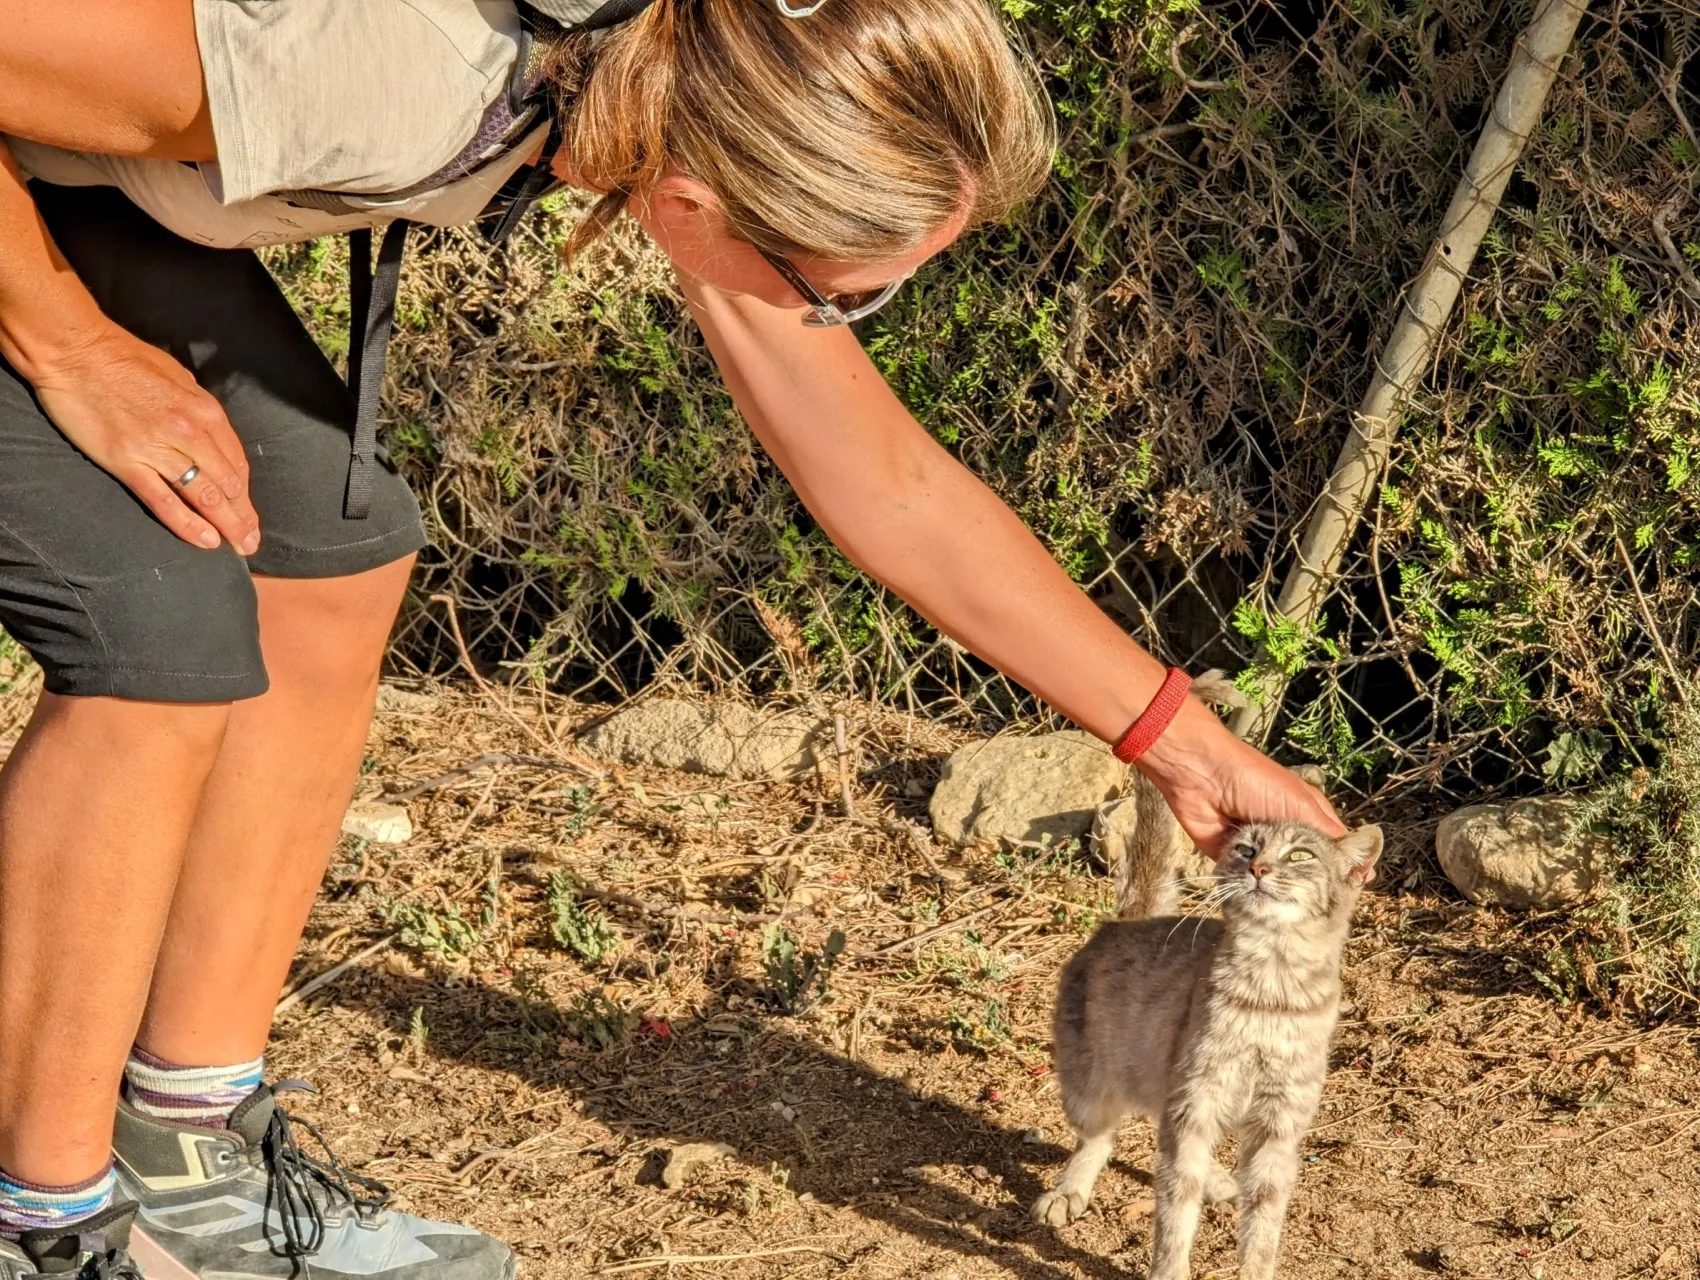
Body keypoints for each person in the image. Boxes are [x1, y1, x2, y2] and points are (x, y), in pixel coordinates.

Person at [0, 2, 1344, 1278]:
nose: (831, 329)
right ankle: (38, 1225)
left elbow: (885, 483)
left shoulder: (675, 71)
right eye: (841, 299)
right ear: (705, 210)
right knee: (158, 611)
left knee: (329, 561)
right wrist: (63, 343)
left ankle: (189, 1151)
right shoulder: (388, 70)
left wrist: (1181, 745)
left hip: (67, 173)